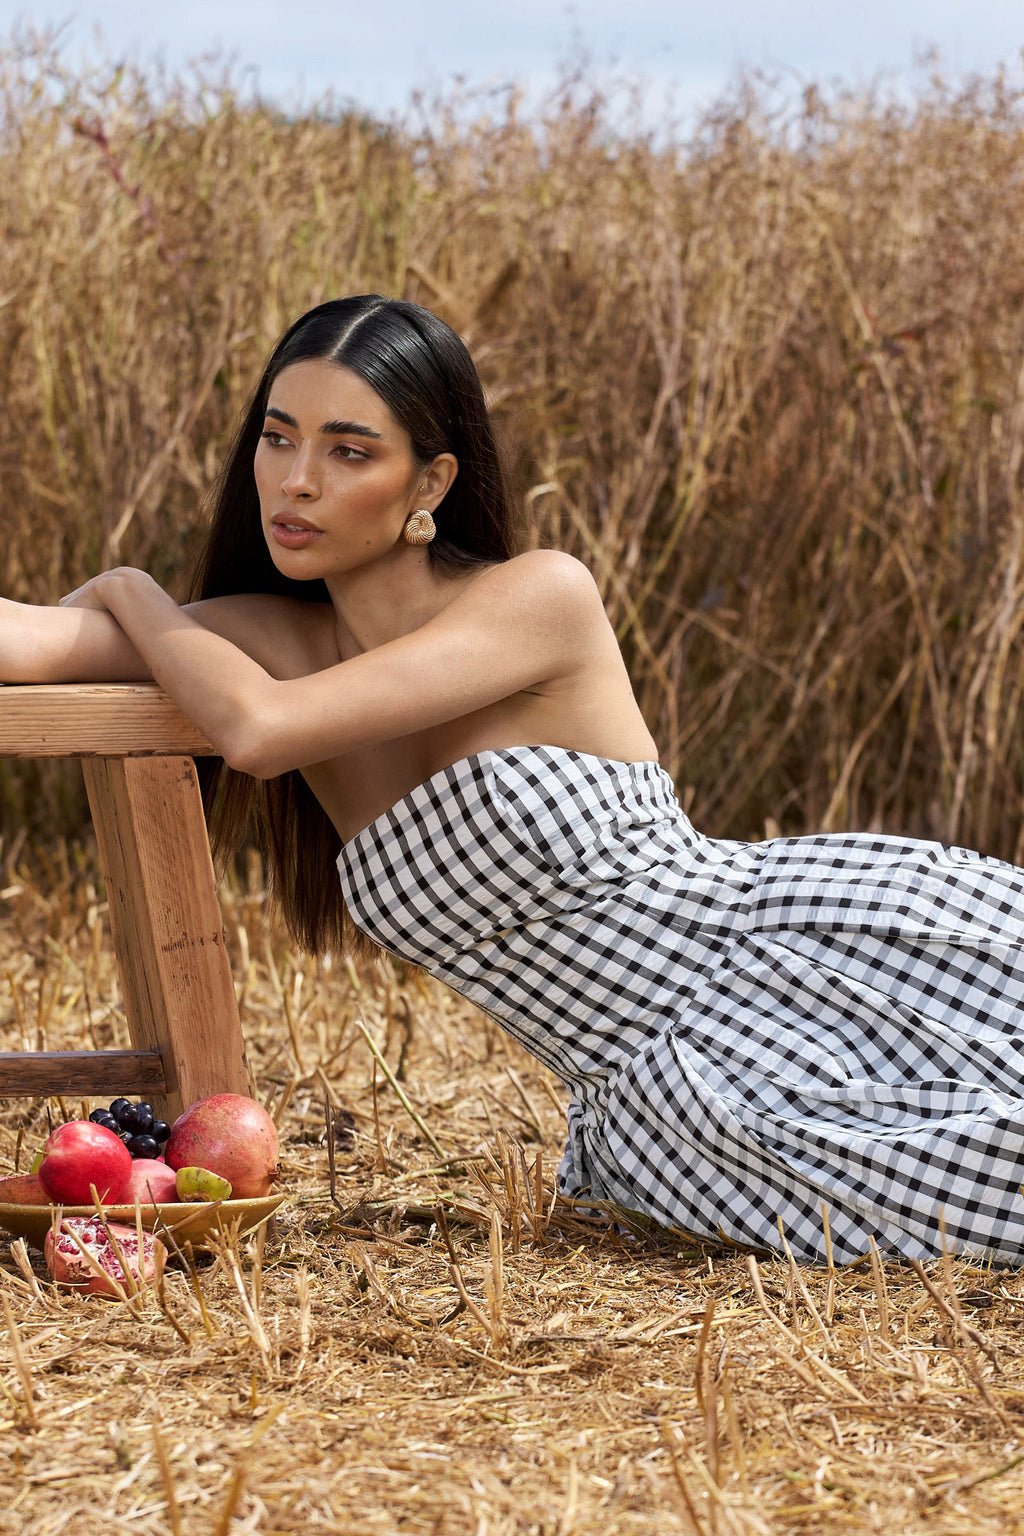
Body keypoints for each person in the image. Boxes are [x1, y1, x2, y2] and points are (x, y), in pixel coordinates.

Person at [5, 293, 1024, 1265]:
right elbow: (31, 641)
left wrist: (136, 592)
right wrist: (148, 619)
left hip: (800, 963)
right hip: (663, 1106)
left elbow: (260, 732)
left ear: (431, 484)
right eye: (278, 438)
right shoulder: (265, 637)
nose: (295, 480)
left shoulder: (539, 597)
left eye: (348, 450)